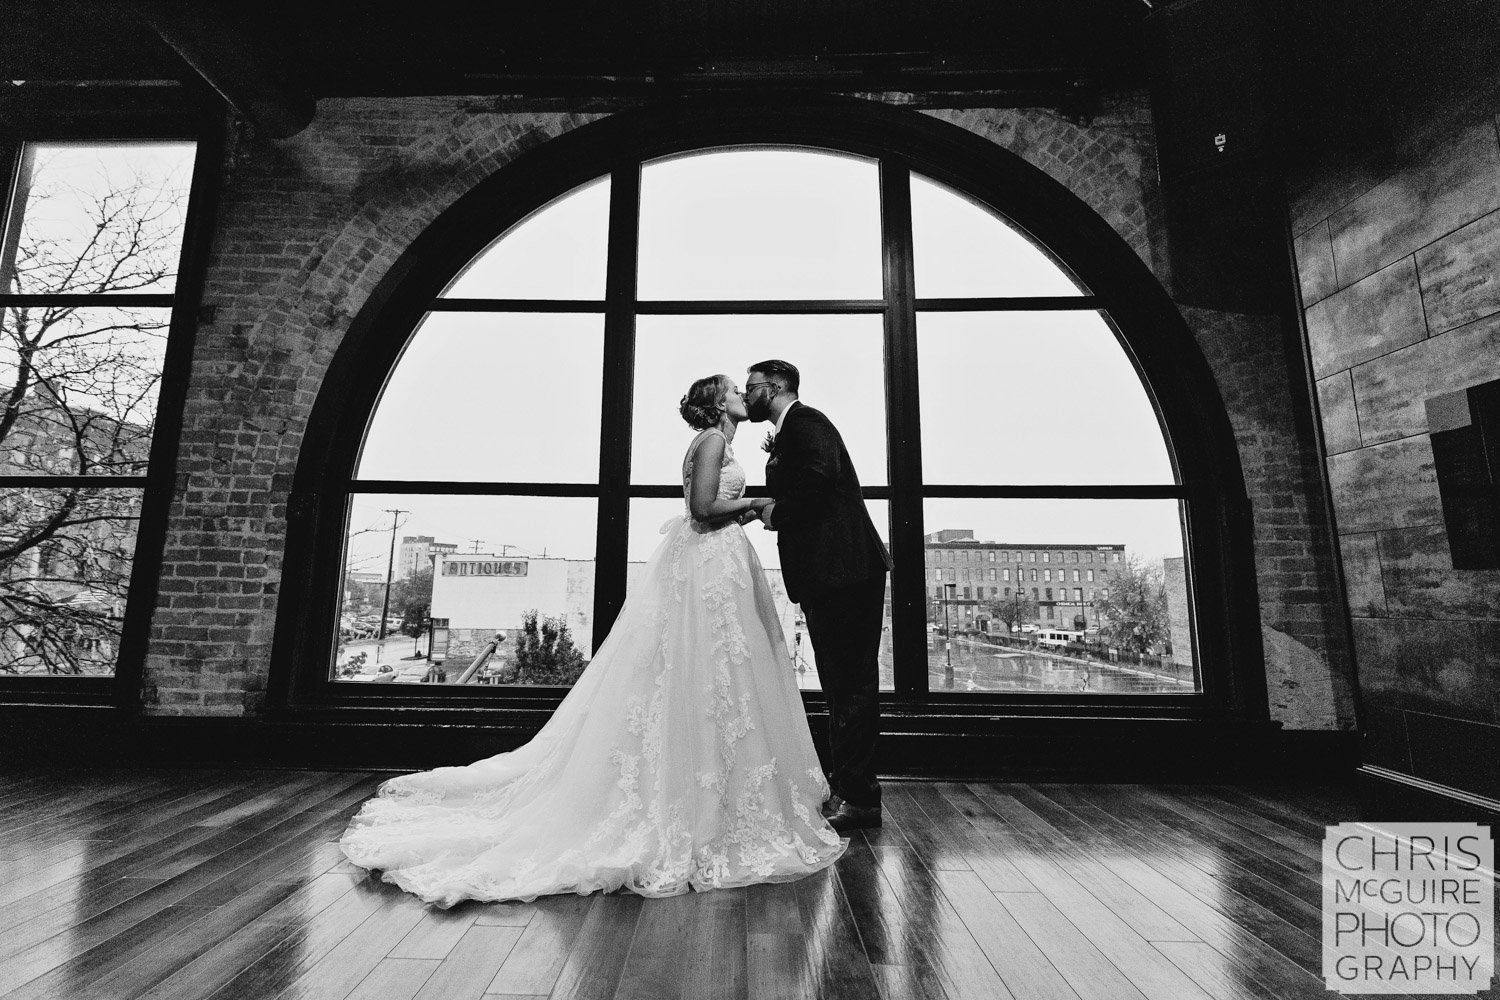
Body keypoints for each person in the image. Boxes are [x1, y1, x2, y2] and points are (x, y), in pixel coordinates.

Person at [338, 375, 845, 907]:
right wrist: (755, 504)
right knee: (711, 671)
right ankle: (709, 803)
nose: (743, 394)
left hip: (717, 565)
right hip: (711, 563)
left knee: (714, 675)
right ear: (719, 404)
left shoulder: (713, 442)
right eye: (734, 390)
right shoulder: (714, 441)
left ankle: (718, 793)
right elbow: (700, 511)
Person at [745, 360, 892, 832]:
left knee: (850, 687)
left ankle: (861, 799)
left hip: (845, 572)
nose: (746, 397)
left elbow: (817, 480)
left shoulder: (807, 424)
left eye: (751, 388)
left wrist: (774, 512)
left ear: (776, 387)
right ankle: (848, 786)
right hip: (833, 574)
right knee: (841, 685)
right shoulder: (791, 430)